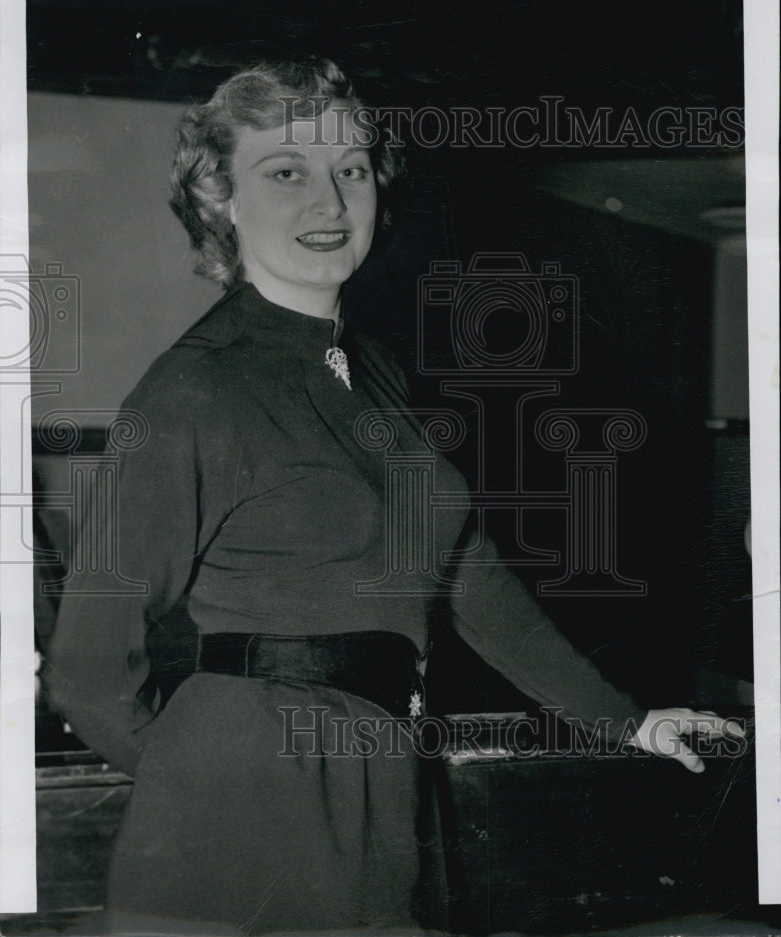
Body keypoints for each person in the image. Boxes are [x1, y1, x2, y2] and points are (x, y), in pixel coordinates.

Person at [46, 58, 740, 936]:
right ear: (221, 198)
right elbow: (85, 671)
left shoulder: (373, 372)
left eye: (352, 170)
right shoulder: (193, 391)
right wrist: (213, 791)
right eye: (286, 172)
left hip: (380, 782)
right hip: (251, 809)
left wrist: (629, 724)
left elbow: (474, 587)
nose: (329, 201)